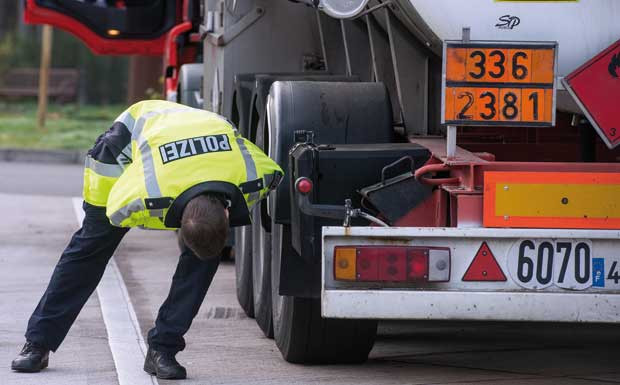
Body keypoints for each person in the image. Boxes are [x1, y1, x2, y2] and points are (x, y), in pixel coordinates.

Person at [10, 100, 283, 380]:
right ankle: (38, 343)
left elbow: (275, 172)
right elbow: (113, 205)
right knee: (90, 249)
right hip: (120, 155)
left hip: (203, 135)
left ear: (227, 210)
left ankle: (162, 350)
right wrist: (98, 220)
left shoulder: (254, 175)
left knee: (205, 252)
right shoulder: (142, 195)